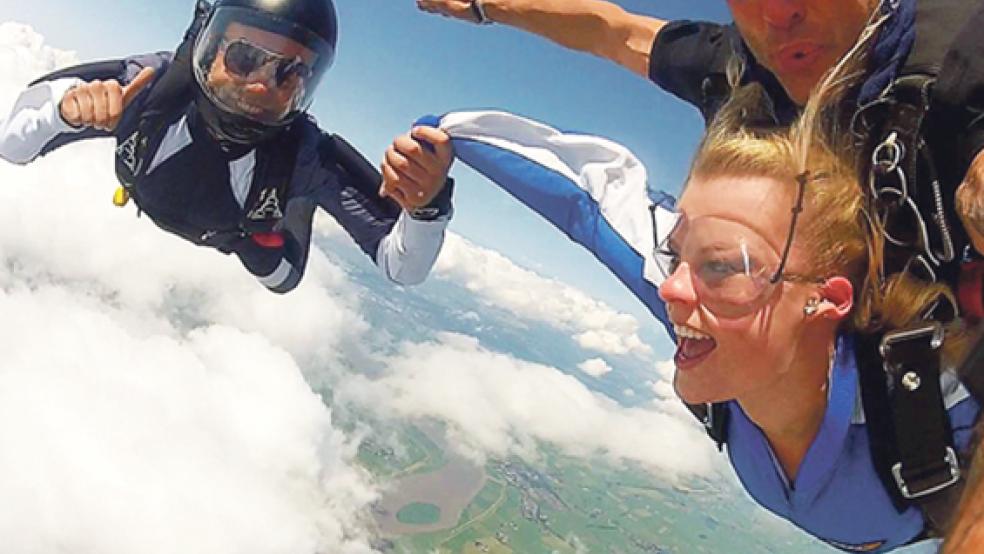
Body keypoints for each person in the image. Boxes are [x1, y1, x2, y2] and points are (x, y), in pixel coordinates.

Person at [423, 77, 979, 549]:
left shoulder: (939, 408)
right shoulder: (712, 321)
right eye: (675, 253)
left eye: (721, 266)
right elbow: (587, 196)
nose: (671, 289)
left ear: (826, 299)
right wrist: (438, 137)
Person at [416, 0, 984, 295]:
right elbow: (613, 31)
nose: (778, 13)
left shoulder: (963, 52)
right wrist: (486, 6)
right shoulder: (741, 67)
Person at [0, 0, 455, 294]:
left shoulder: (305, 155)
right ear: (209, 46)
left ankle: (278, 223)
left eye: (291, 72)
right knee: (274, 264)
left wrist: (425, 206)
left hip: (242, 234)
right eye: (244, 57)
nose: (261, 86)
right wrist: (66, 111)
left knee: (281, 277)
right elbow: (11, 142)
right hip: (229, 219)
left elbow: (400, 266)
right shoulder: (144, 90)